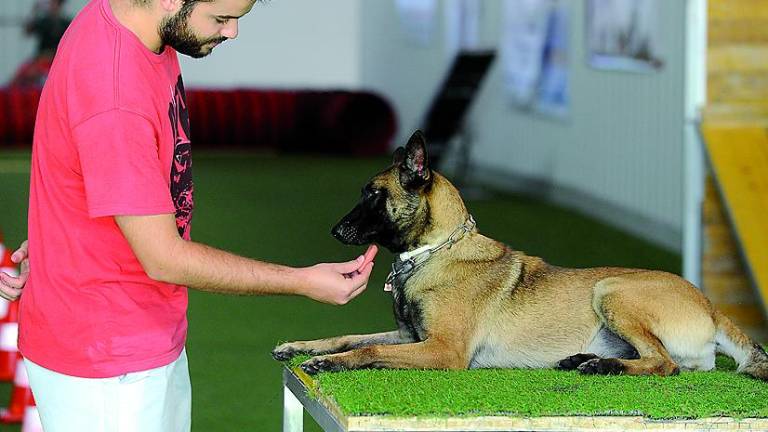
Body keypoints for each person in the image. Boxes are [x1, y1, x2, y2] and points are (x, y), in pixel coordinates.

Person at [0, 0, 378, 430]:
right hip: (108, 364)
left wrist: (57, 242)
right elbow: (164, 257)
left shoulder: (125, 21)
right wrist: (302, 280)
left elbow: (76, 162)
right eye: (221, 18)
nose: (232, 32)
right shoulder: (116, 92)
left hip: (138, 335)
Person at [8, 0, 72, 87]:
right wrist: (34, 11)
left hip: (56, 62)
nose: (52, 5)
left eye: (55, 3)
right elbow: (27, 31)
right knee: (18, 78)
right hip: (40, 60)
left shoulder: (66, 23)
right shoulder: (43, 21)